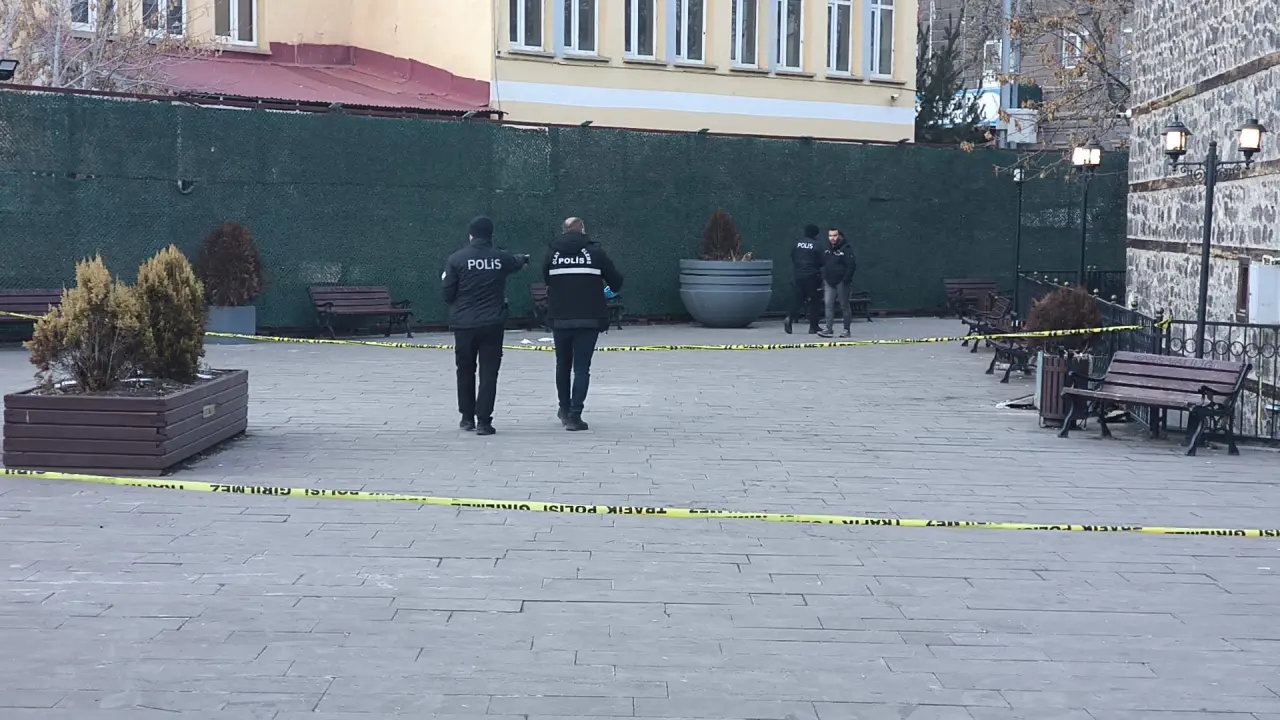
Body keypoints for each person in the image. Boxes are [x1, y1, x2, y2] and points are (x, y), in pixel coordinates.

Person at [441, 216, 529, 436]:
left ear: (471, 234)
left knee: (465, 370)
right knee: (489, 372)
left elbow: (448, 293)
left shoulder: (456, 259)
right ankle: (484, 421)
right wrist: (523, 259)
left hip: (464, 324)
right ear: (491, 234)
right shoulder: (500, 258)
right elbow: (516, 262)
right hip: (492, 323)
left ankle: (466, 418)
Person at [543, 217, 623, 432]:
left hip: (560, 317)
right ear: (583, 230)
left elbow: (547, 279)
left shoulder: (553, 253)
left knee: (562, 365)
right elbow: (616, 281)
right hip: (589, 318)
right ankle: (575, 415)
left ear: (564, 230)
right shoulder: (596, 253)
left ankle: (564, 409)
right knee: (581, 368)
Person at [784, 224, 824, 335]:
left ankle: (789, 317)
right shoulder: (817, 245)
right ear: (815, 233)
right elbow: (822, 261)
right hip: (812, 276)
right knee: (815, 301)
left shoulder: (797, 243)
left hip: (798, 275)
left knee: (798, 300)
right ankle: (813, 327)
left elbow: (793, 257)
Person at [818, 227, 857, 338]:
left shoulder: (846, 249)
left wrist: (845, 280)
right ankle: (828, 329)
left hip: (842, 282)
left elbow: (851, 266)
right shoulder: (827, 250)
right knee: (828, 305)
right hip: (829, 282)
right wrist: (824, 278)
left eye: (835, 235)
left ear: (840, 236)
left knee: (844, 306)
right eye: (830, 235)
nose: (832, 238)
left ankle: (846, 330)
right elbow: (823, 264)